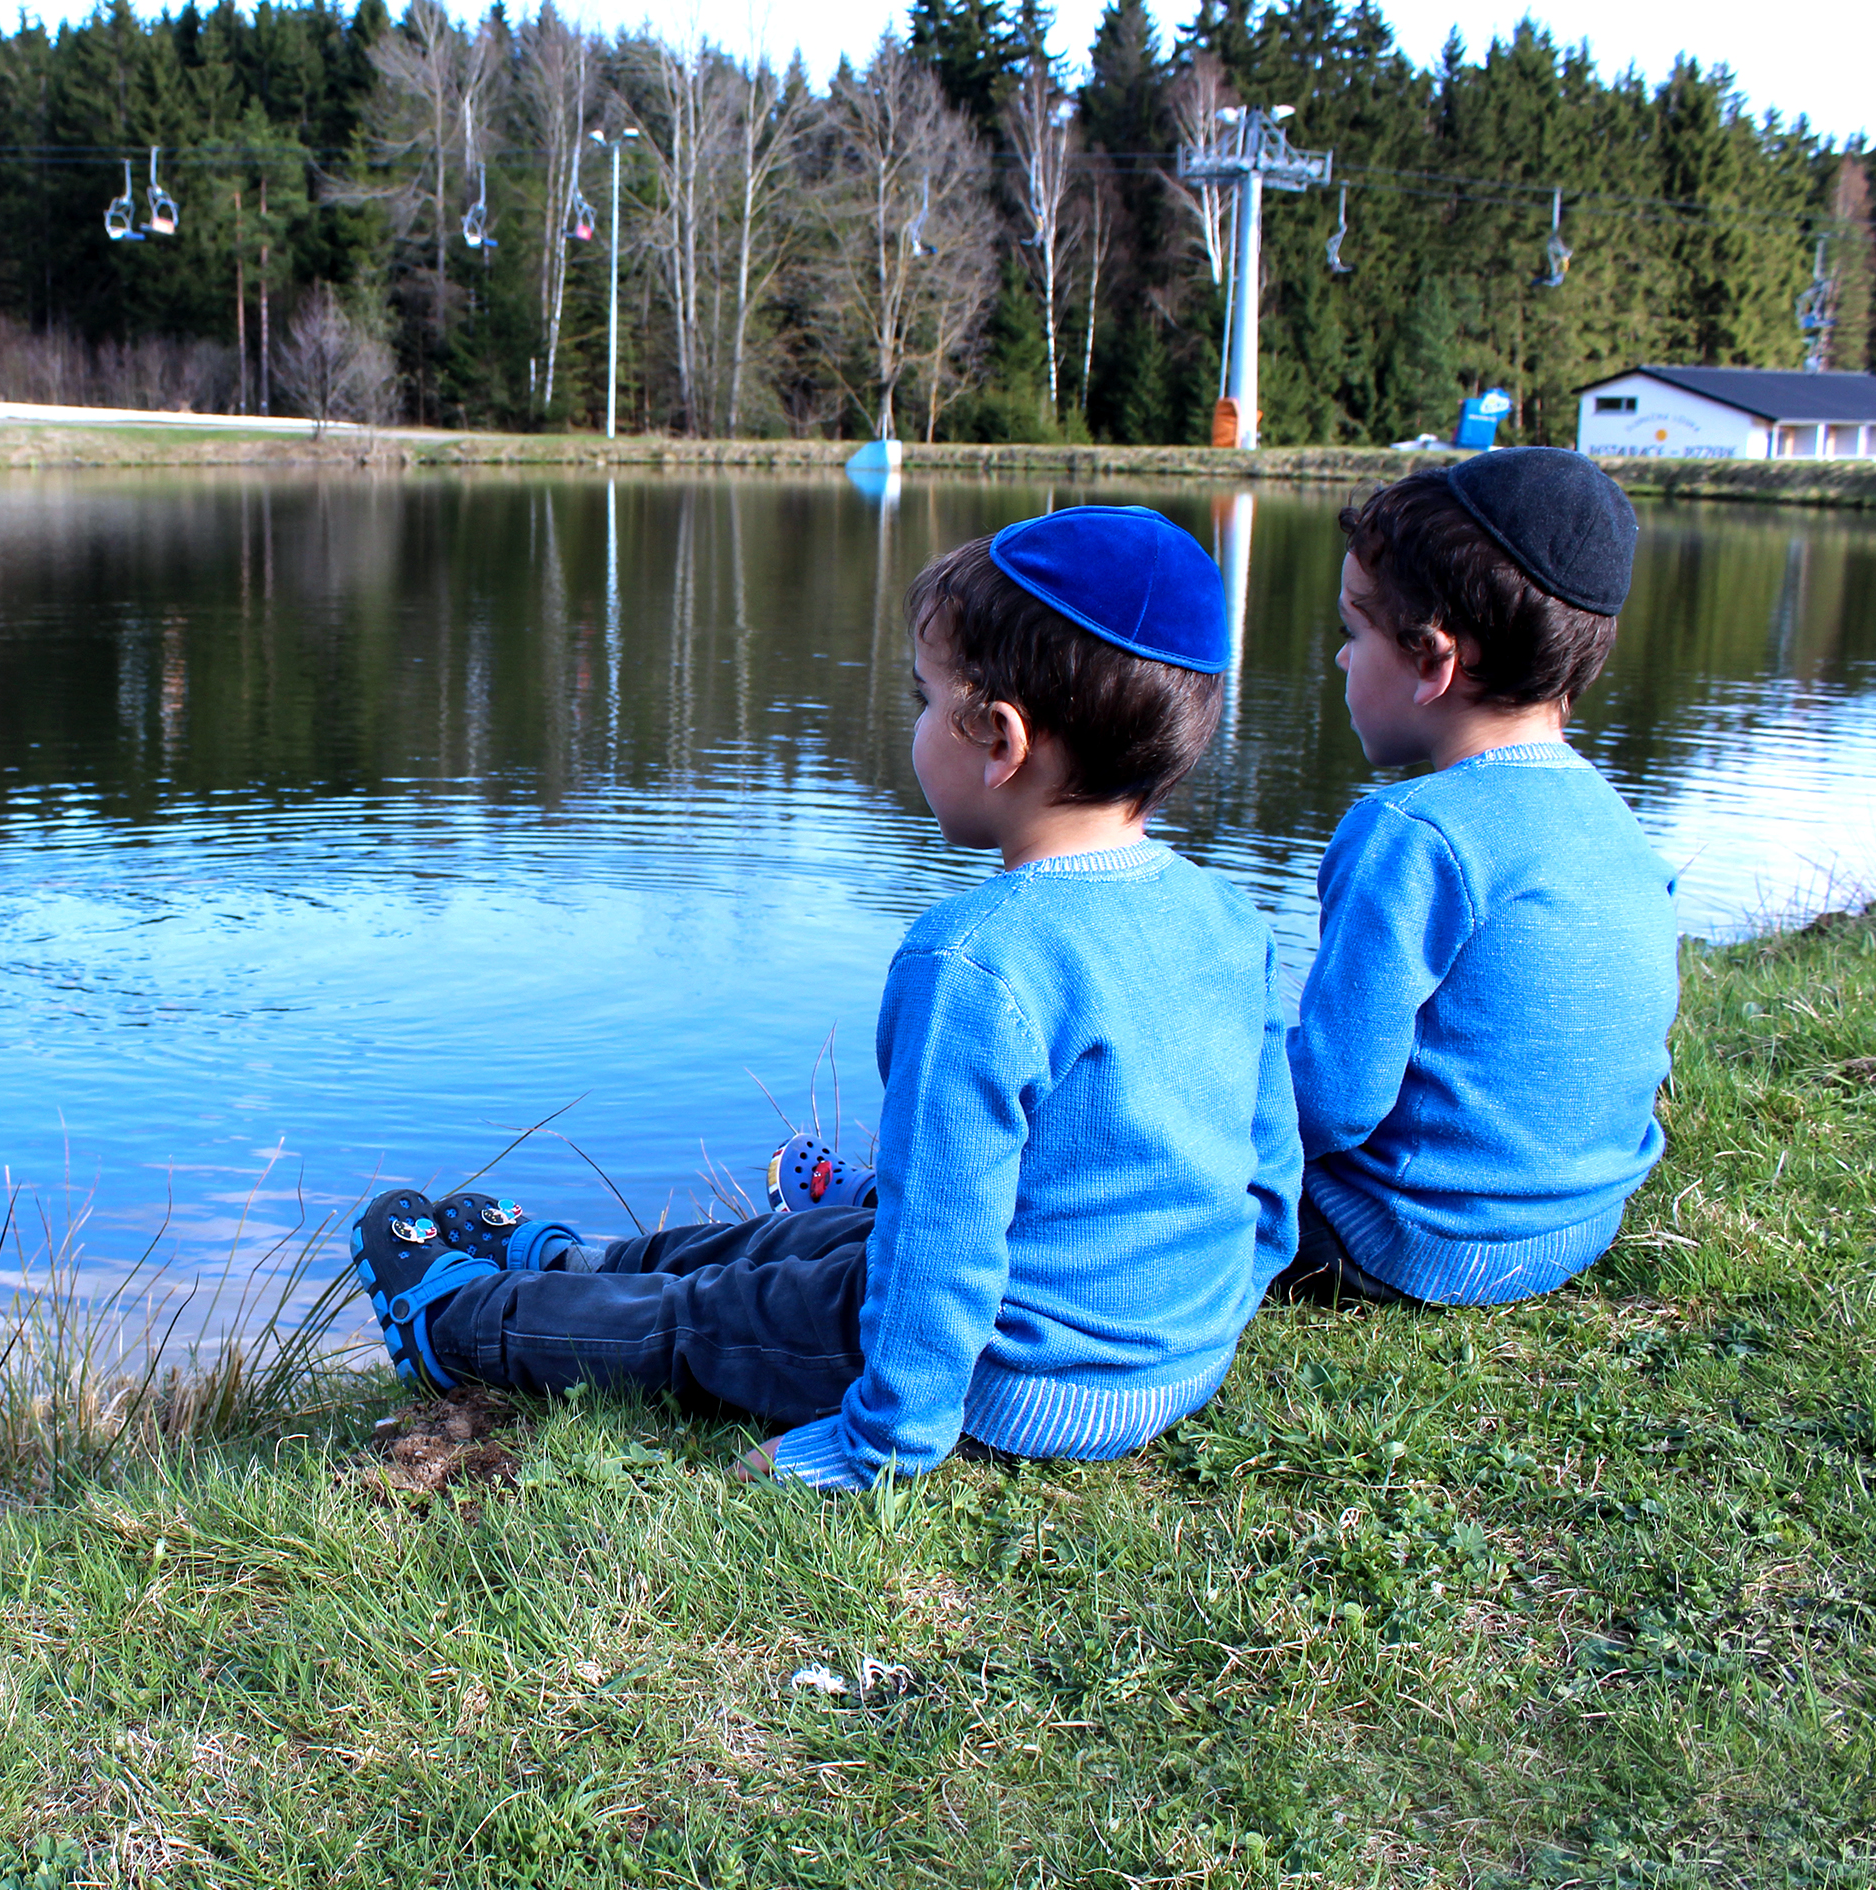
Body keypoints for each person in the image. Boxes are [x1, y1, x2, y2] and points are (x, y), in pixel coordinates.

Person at [350, 506, 1300, 1488]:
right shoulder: (1227, 917)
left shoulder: (977, 963)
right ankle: (574, 1265)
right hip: (1181, 1352)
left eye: (924, 698)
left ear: (1000, 739)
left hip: (1014, 1376)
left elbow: (940, 1249)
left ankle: (458, 1324)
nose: (916, 722)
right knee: (825, 1235)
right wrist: (1206, 1308)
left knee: (721, 1320)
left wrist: (882, 1443)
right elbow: (1271, 1174)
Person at [1273, 450, 1677, 1308]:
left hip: (1415, 1239)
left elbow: (1332, 1105)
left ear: (1432, 661)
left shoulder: (1412, 834)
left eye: (1354, 635)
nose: (1342, 662)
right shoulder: (1612, 818)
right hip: (1579, 1220)